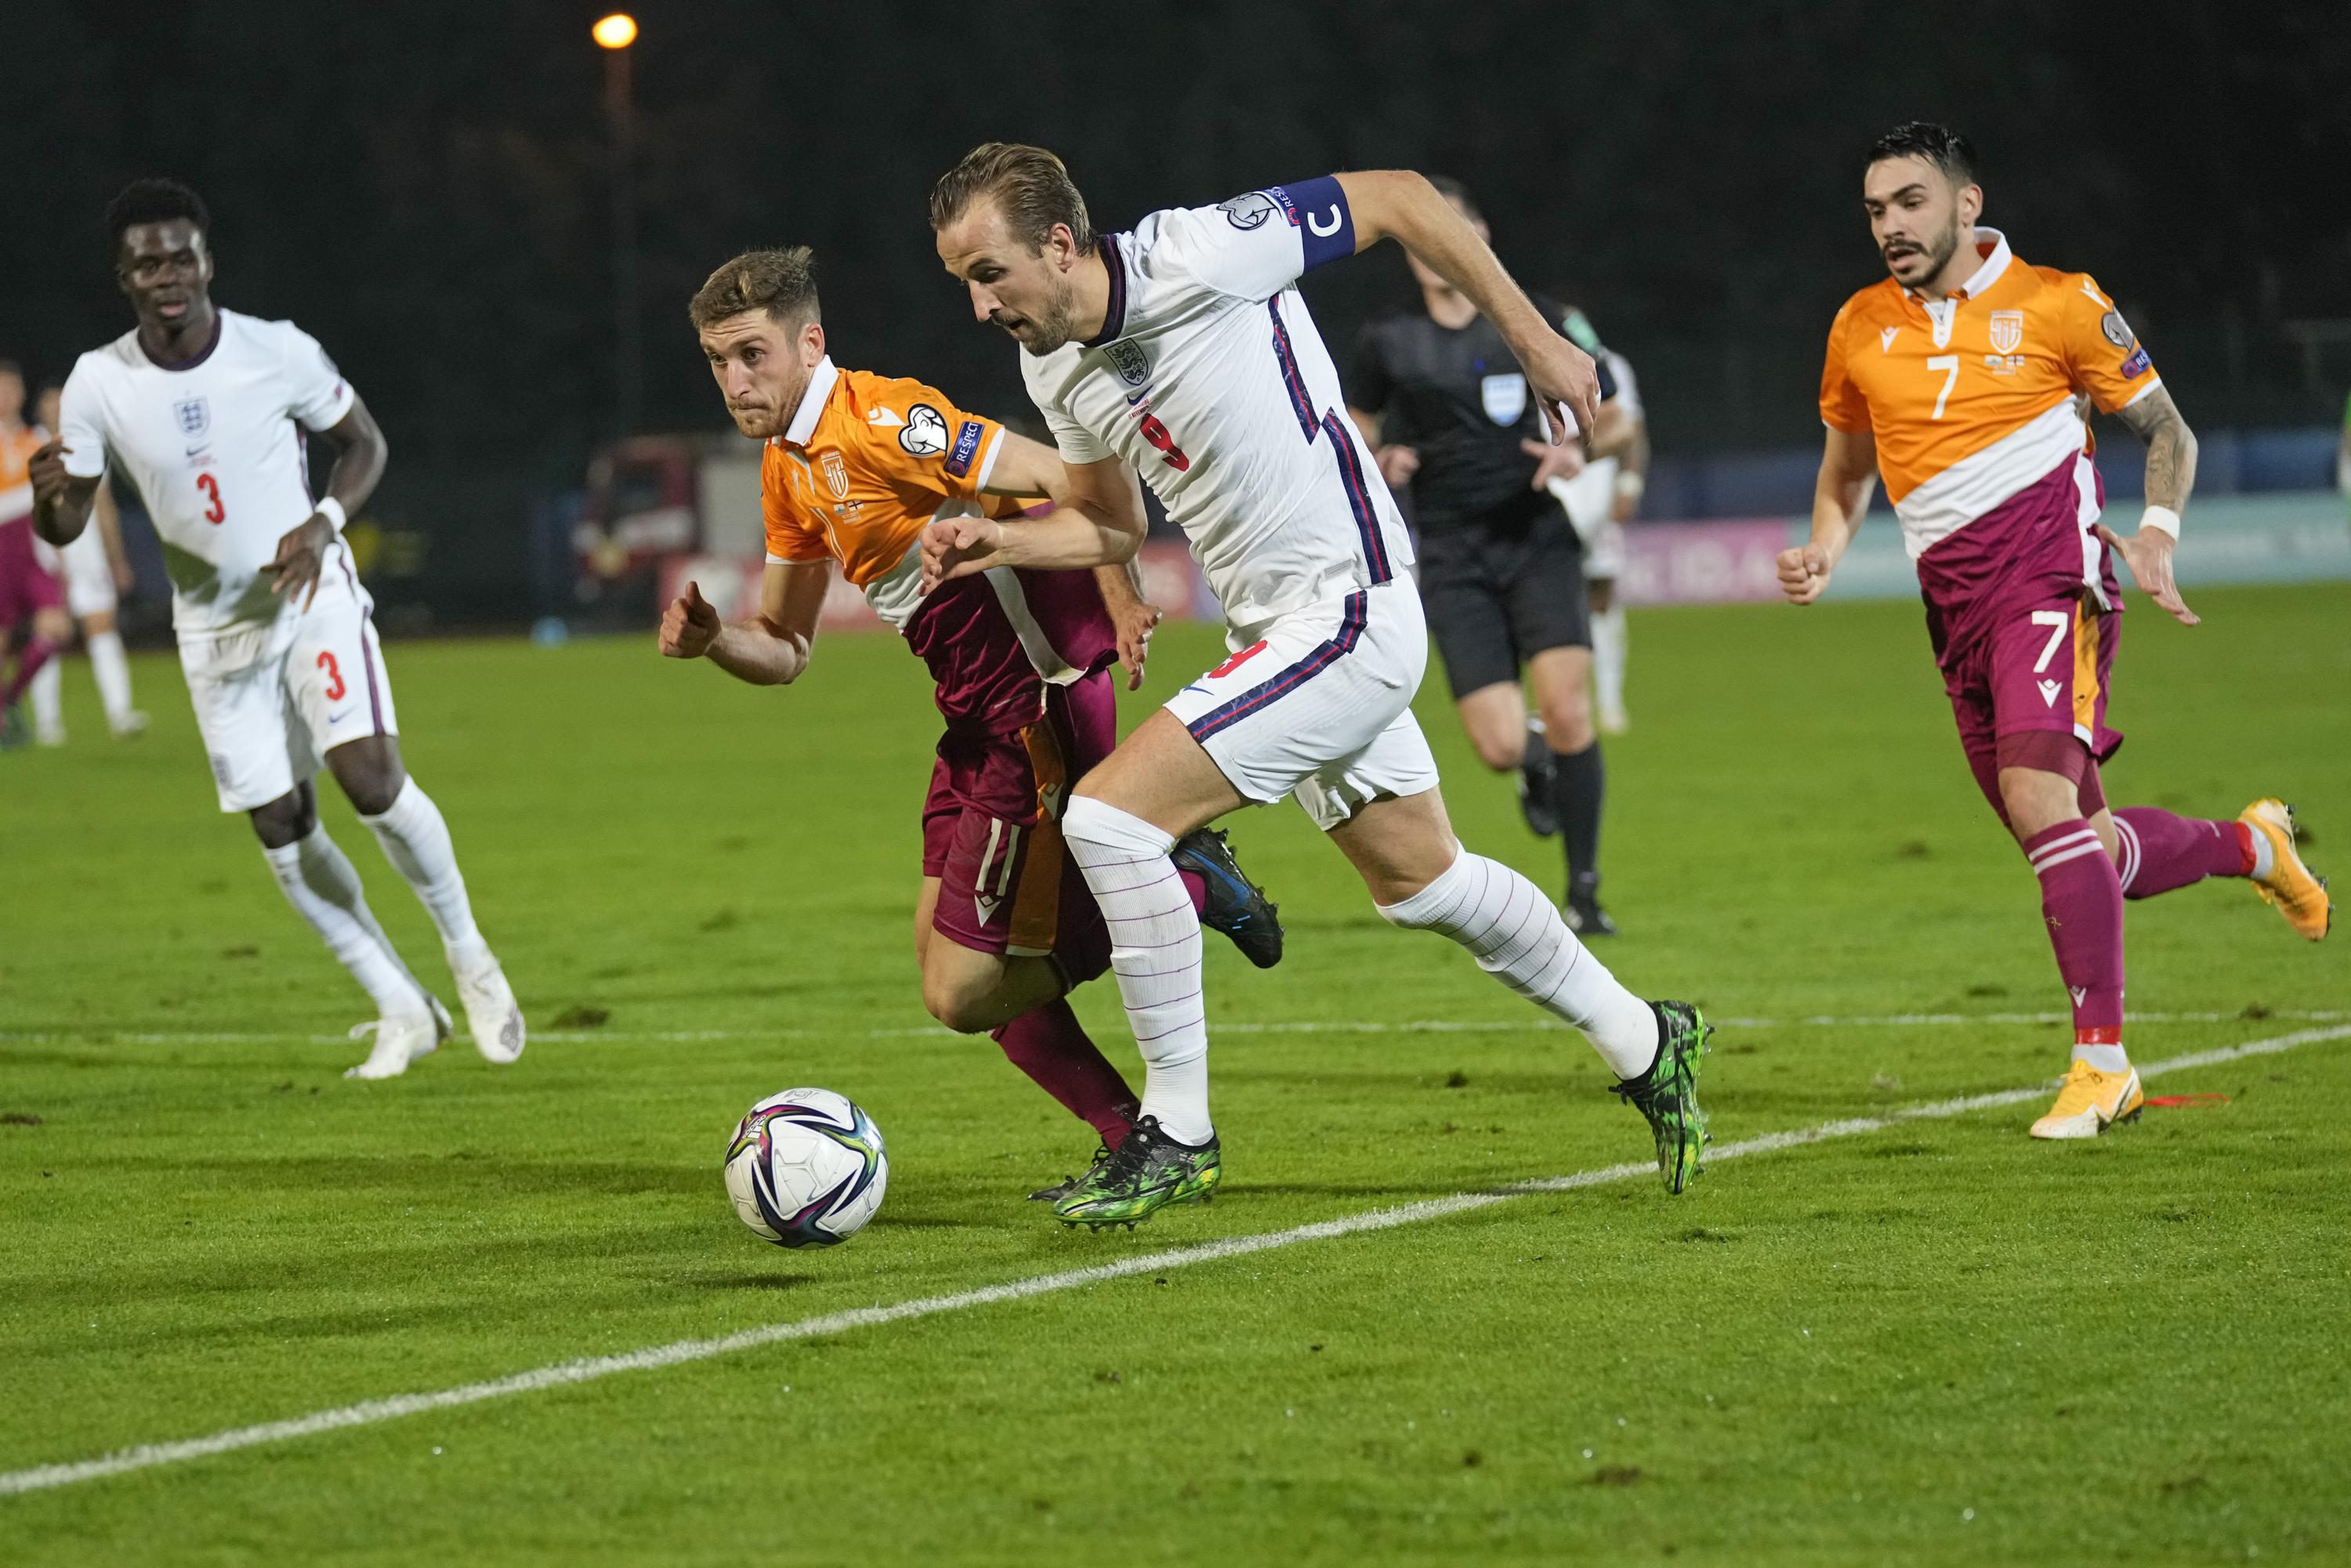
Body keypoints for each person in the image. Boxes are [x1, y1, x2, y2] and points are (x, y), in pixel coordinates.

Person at [924, 143, 1712, 1229]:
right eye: (962, 280)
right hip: (1284, 631)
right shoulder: (1052, 364)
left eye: (986, 273)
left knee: (1108, 818)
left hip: (1350, 604)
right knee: (1422, 882)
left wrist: (1532, 340)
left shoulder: (1204, 251)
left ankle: (1178, 1133)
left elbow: (1401, 200)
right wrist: (997, 544)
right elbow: (1113, 523)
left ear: (1060, 243)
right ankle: (1647, 1039)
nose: (978, 307)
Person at [660, 246, 1284, 1200]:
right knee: (954, 972)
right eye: (717, 360)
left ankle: (1182, 882)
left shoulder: (884, 422)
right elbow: (783, 648)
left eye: (752, 354)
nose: (735, 381)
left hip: (1035, 717)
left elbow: (1068, 475)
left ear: (809, 342)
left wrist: (1116, 587)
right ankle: (1131, 1136)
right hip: (976, 730)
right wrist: (714, 643)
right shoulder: (789, 470)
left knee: (962, 991)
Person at [1780, 122, 2331, 1140]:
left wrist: (2158, 533)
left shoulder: (2059, 302)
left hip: (2055, 579)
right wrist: (1822, 544)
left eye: (1909, 202)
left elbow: (2168, 429)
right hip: (1952, 607)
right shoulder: (1859, 325)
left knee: (2042, 806)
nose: (1890, 226)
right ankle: (2254, 845)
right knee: (2075, 842)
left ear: (1966, 203)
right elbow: (1849, 466)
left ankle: (2101, 1065)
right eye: (1874, 210)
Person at [28, 179, 523, 1078]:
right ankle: (400, 1004)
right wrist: (50, 507)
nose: (168, 273)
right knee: (282, 831)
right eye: (148, 262)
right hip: (213, 633)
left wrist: (324, 524)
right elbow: (66, 522)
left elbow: (363, 443)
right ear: (124, 277)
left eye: (182, 255)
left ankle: (470, 955)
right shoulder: (98, 382)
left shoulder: (275, 349)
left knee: (369, 779)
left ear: (206, 260)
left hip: (311, 598)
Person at [1346, 179, 1621, 934]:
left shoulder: (1542, 321)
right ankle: (1536, 765)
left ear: (1479, 236)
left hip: (1537, 537)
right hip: (1452, 553)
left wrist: (1579, 452)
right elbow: (1352, 429)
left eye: (1453, 230)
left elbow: (1619, 418)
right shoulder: (1388, 338)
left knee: (1569, 710)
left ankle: (1586, 891)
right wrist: (1384, 456)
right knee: (1500, 745)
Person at [24, 380, 147, 744]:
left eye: (62, 404)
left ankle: (120, 713)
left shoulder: (86, 445)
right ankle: (48, 724)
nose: (57, 411)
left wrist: (117, 558)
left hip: (88, 554)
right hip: (45, 556)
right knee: (50, 631)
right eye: (50, 405)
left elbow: (104, 506)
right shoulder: (29, 445)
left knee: (102, 627)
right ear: (40, 410)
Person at [1544, 309, 1647, 737]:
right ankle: (1562, 702)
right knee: (1545, 602)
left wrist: (1628, 483)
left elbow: (1633, 430)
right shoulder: (1524, 358)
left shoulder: (1612, 366)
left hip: (1597, 490)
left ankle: (1609, 701)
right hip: (1547, 491)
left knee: (1601, 596)